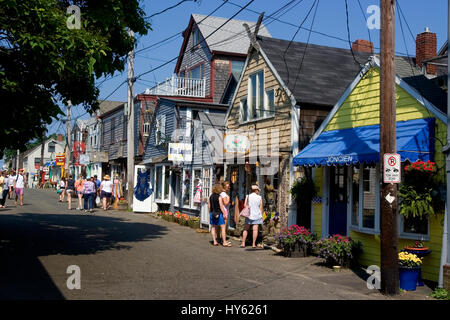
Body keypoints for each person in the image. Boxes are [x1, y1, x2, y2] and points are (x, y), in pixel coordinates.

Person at [241, 184, 263, 249]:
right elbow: (261, 207)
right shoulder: (259, 197)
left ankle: (243, 243)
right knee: (255, 230)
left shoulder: (248, 196)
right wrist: (261, 215)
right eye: (258, 190)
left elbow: (245, 205)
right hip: (257, 215)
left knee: (245, 229)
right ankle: (253, 244)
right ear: (256, 190)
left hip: (249, 215)